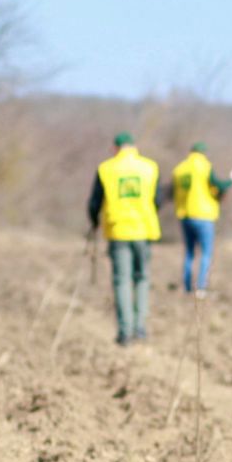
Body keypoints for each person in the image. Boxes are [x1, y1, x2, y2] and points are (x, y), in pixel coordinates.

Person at [88, 132, 161, 345]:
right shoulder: (150, 167)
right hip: (143, 231)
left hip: (118, 231)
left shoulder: (106, 169)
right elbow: (156, 200)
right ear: (134, 146)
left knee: (121, 281)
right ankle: (140, 327)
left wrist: (95, 222)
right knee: (142, 278)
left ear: (115, 148)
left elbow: (94, 203)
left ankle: (125, 331)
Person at [172, 142, 232, 297]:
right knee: (205, 253)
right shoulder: (204, 166)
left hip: (184, 215)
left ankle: (187, 287)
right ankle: (201, 288)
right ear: (203, 153)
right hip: (203, 215)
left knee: (189, 253)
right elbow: (220, 186)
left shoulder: (179, 169)